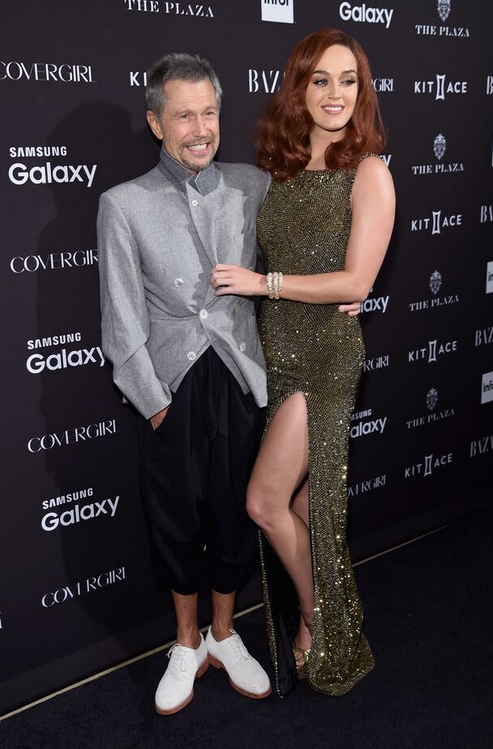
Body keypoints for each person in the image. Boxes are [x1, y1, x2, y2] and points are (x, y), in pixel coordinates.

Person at [210, 28, 395, 697]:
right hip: (277, 351)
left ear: (361, 90)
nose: (335, 94)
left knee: (264, 502)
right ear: (299, 87)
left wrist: (266, 284)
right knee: (303, 505)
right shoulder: (279, 171)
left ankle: (321, 619)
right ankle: (335, 615)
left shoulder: (369, 172)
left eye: (348, 80)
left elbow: (355, 281)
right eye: (321, 80)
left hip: (324, 354)